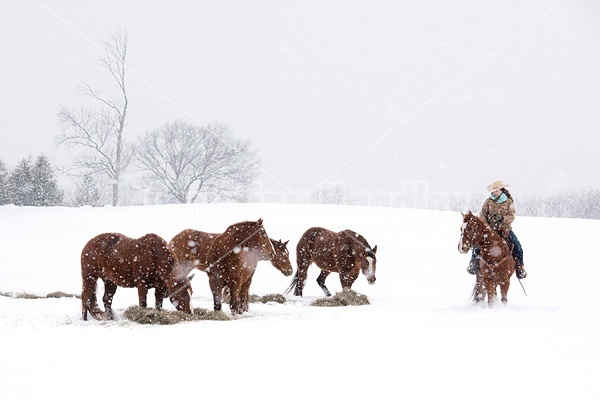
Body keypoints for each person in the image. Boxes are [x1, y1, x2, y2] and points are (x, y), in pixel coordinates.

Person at [467, 180, 527, 279]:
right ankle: (473, 264)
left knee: (518, 247)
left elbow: (511, 216)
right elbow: (482, 214)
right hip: (489, 229)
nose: (494, 192)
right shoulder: (488, 201)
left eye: (496, 190)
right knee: (477, 245)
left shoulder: (508, 201)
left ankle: (520, 268)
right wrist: (486, 224)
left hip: (504, 228)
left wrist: (502, 219)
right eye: (493, 190)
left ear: (501, 190)